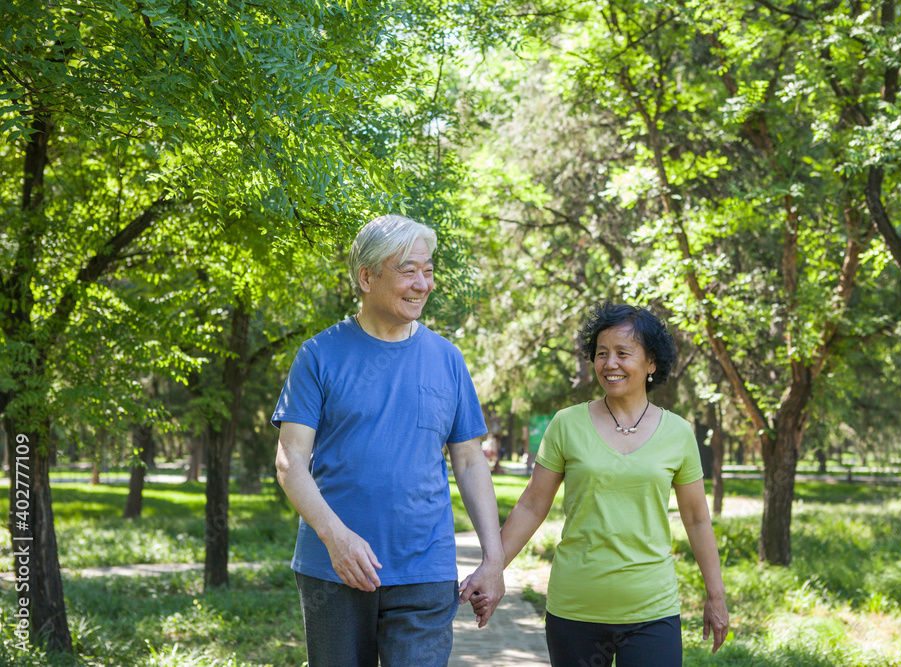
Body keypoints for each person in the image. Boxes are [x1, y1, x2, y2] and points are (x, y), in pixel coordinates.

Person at [272, 214, 505, 667]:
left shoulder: (447, 359)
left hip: (425, 570)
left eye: (429, 270)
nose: (423, 284)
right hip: (334, 570)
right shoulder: (319, 355)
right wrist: (335, 539)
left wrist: (493, 560)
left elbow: (471, 462)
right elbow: (289, 462)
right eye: (408, 270)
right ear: (366, 276)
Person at [477, 302, 729, 666]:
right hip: (575, 609)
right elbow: (532, 505)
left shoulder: (678, 433)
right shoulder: (567, 424)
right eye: (601, 354)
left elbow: (697, 519)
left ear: (651, 363)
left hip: (652, 610)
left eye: (623, 353)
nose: (610, 364)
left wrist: (715, 596)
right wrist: (492, 568)